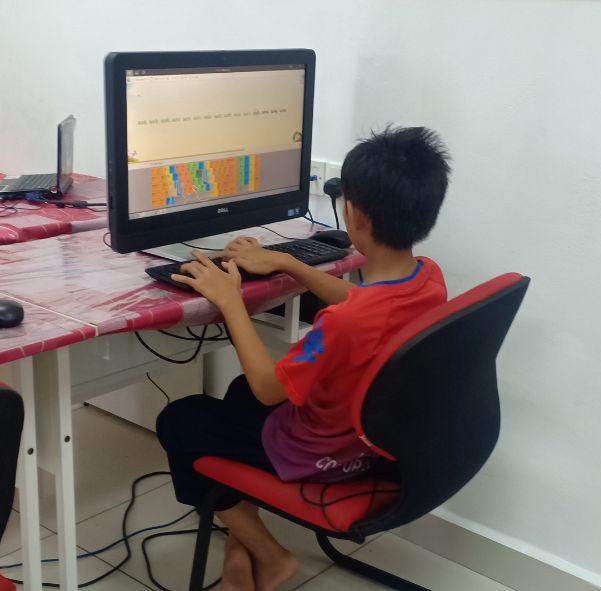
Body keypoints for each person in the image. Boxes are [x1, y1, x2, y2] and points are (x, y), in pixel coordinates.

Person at [155, 126, 452, 591]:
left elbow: (269, 389)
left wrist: (230, 301)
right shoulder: (429, 279)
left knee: (181, 420)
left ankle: (271, 556)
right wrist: (290, 263)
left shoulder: (344, 322)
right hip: (367, 443)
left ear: (353, 213)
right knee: (236, 393)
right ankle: (239, 548)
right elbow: (364, 304)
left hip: (318, 456)